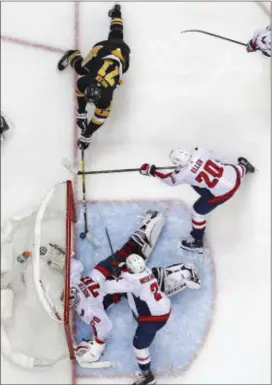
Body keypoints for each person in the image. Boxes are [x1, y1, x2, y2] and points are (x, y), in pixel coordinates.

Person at [70, 211, 200, 385]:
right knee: (128, 261)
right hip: (110, 283)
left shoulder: (86, 308)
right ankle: (182, 272)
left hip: (141, 306)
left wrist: (95, 346)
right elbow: (78, 269)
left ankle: (183, 273)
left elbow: (105, 316)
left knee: (140, 342)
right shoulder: (86, 306)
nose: (71, 297)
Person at [139, 147, 255, 253]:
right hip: (235, 175)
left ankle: (197, 241)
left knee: (197, 212)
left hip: (223, 194)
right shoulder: (200, 151)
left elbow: (169, 180)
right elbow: (218, 159)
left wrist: (152, 171)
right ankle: (244, 167)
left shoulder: (181, 175)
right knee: (225, 168)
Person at [57, 4, 130, 150]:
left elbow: (99, 117)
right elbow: (82, 97)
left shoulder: (105, 97)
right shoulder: (87, 83)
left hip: (113, 54)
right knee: (82, 68)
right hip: (110, 51)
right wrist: (82, 113)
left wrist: (87, 134)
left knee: (115, 36)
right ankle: (72, 54)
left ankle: (116, 13)